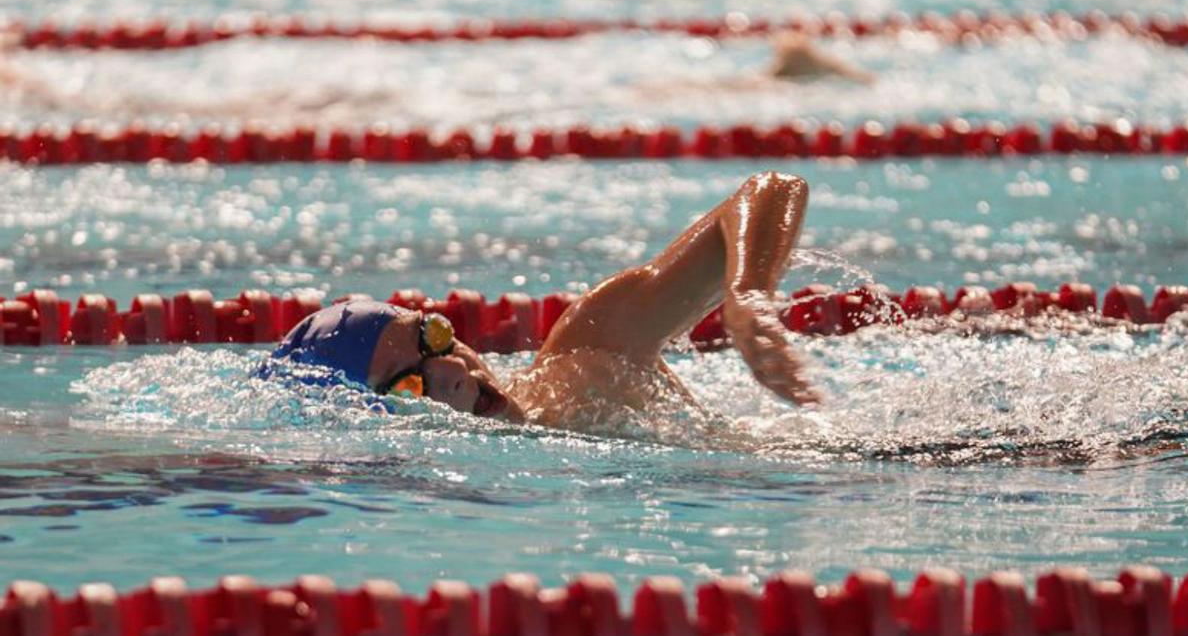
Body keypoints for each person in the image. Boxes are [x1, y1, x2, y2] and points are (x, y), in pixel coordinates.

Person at [267, 171, 818, 431]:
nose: (456, 371)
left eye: (432, 337)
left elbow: (772, 189)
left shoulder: (588, 356)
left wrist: (747, 291)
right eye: (411, 384)